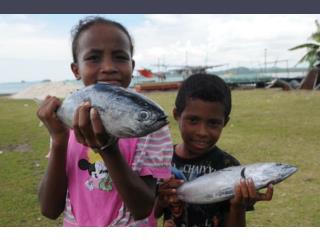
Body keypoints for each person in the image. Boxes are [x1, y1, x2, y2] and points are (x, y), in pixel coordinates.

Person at [37, 16, 173, 227]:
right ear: (76, 69)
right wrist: (58, 140)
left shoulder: (150, 127)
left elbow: (143, 208)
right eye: (93, 57)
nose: (109, 67)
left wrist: (108, 148)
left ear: (132, 65)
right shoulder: (68, 122)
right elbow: (49, 209)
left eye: (120, 57)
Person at [154, 73, 274, 227]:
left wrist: (238, 206)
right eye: (193, 120)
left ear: (225, 122)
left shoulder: (230, 167)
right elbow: (150, 214)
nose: (202, 132)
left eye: (213, 123)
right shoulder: (161, 160)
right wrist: (161, 201)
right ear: (177, 115)